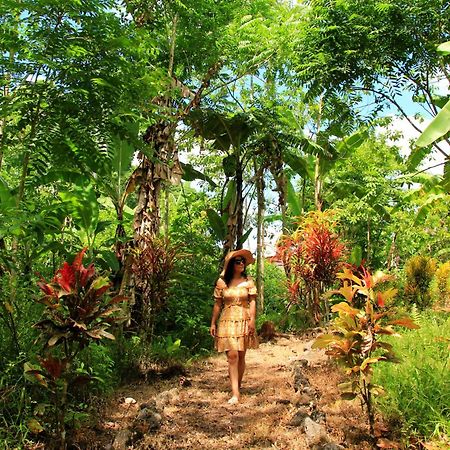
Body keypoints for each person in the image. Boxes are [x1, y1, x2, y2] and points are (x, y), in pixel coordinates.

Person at [210, 249, 259, 405]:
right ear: (231, 264)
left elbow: (252, 302)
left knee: (241, 355)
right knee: (232, 356)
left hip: (243, 318)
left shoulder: (248, 281)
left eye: (243, 261)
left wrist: (252, 320)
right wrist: (213, 322)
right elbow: (217, 304)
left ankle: (237, 384)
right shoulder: (222, 283)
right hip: (227, 319)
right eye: (238, 261)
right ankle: (235, 393)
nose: (241, 264)